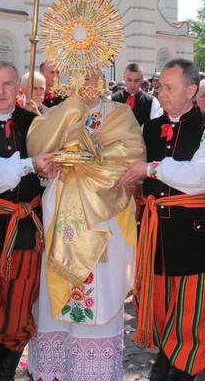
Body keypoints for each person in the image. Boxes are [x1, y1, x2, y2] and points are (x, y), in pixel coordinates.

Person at [118, 58, 205, 381]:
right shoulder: (148, 128)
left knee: (191, 312)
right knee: (162, 303)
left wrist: (151, 168)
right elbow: (126, 164)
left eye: (169, 87)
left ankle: (184, 368)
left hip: (195, 236)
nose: (161, 93)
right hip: (157, 234)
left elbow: (199, 176)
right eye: (160, 87)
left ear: (192, 90)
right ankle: (165, 359)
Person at [26, 72, 146, 381]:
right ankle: (55, 372)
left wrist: (84, 160)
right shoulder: (54, 111)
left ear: (104, 78)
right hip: (60, 212)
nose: (87, 82)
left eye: (93, 75)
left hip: (104, 215)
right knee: (58, 289)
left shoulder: (120, 113)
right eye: (79, 75)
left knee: (100, 287)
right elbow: (37, 151)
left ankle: (94, 373)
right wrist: (69, 114)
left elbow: (131, 157)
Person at [0, 61, 53, 381]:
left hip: (25, 228)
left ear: (19, 87)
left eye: (8, 84)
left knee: (18, 310)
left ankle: (3, 374)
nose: (1, 91)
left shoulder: (35, 123)